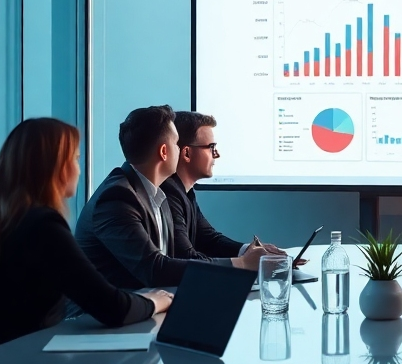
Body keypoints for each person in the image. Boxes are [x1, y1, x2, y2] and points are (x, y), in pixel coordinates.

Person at [0, 118, 170, 361]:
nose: (78, 168)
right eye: (74, 158)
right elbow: (113, 308)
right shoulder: (41, 226)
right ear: (55, 166)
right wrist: (154, 300)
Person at [76, 105, 268, 290]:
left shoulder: (154, 192)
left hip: (142, 307)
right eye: (177, 144)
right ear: (164, 152)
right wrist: (241, 264)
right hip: (99, 320)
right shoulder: (117, 199)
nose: (181, 149)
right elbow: (155, 269)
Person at [160, 110, 284, 261]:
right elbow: (186, 257)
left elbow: (208, 239)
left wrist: (249, 251)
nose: (216, 154)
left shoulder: (185, 192)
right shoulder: (168, 193)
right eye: (211, 147)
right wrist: (244, 263)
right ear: (187, 153)